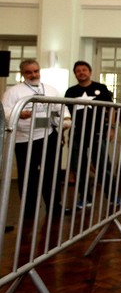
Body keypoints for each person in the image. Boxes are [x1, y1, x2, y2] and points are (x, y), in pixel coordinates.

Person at [2, 59, 72, 219]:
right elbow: (4, 111)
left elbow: (61, 108)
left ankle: (55, 207)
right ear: (23, 74)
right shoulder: (13, 92)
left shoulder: (50, 89)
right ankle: (29, 210)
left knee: (51, 173)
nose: (33, 75)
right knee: (28, 175)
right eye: (29, 72)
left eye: (36, 71)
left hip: (48, 135)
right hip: (23, 140)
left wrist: (66, 119)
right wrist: (18, 113)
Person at [64, 60, 117, 208]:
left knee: (103, 165)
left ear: (90, 72)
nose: (81, 72)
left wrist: (111, 127)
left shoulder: (101, 88)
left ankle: (112, 196)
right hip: (77, 133)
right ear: (75, 74)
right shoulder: (70, 92)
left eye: (84, 70)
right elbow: (65, 112)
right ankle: (85, 197)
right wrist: (64, 132)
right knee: (78, 166)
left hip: (98, 132)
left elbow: (111, 109)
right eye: (78, 71)